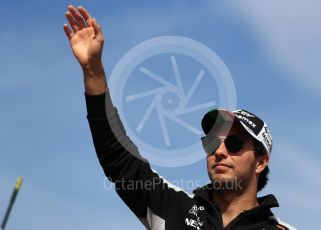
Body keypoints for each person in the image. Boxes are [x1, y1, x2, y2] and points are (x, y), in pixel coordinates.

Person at [63, 5, 296, 229]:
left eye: (234, 143)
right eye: (212, 142)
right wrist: (93, 71)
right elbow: (119, 160)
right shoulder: (175, 208)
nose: (219, 152)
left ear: (261, 162)